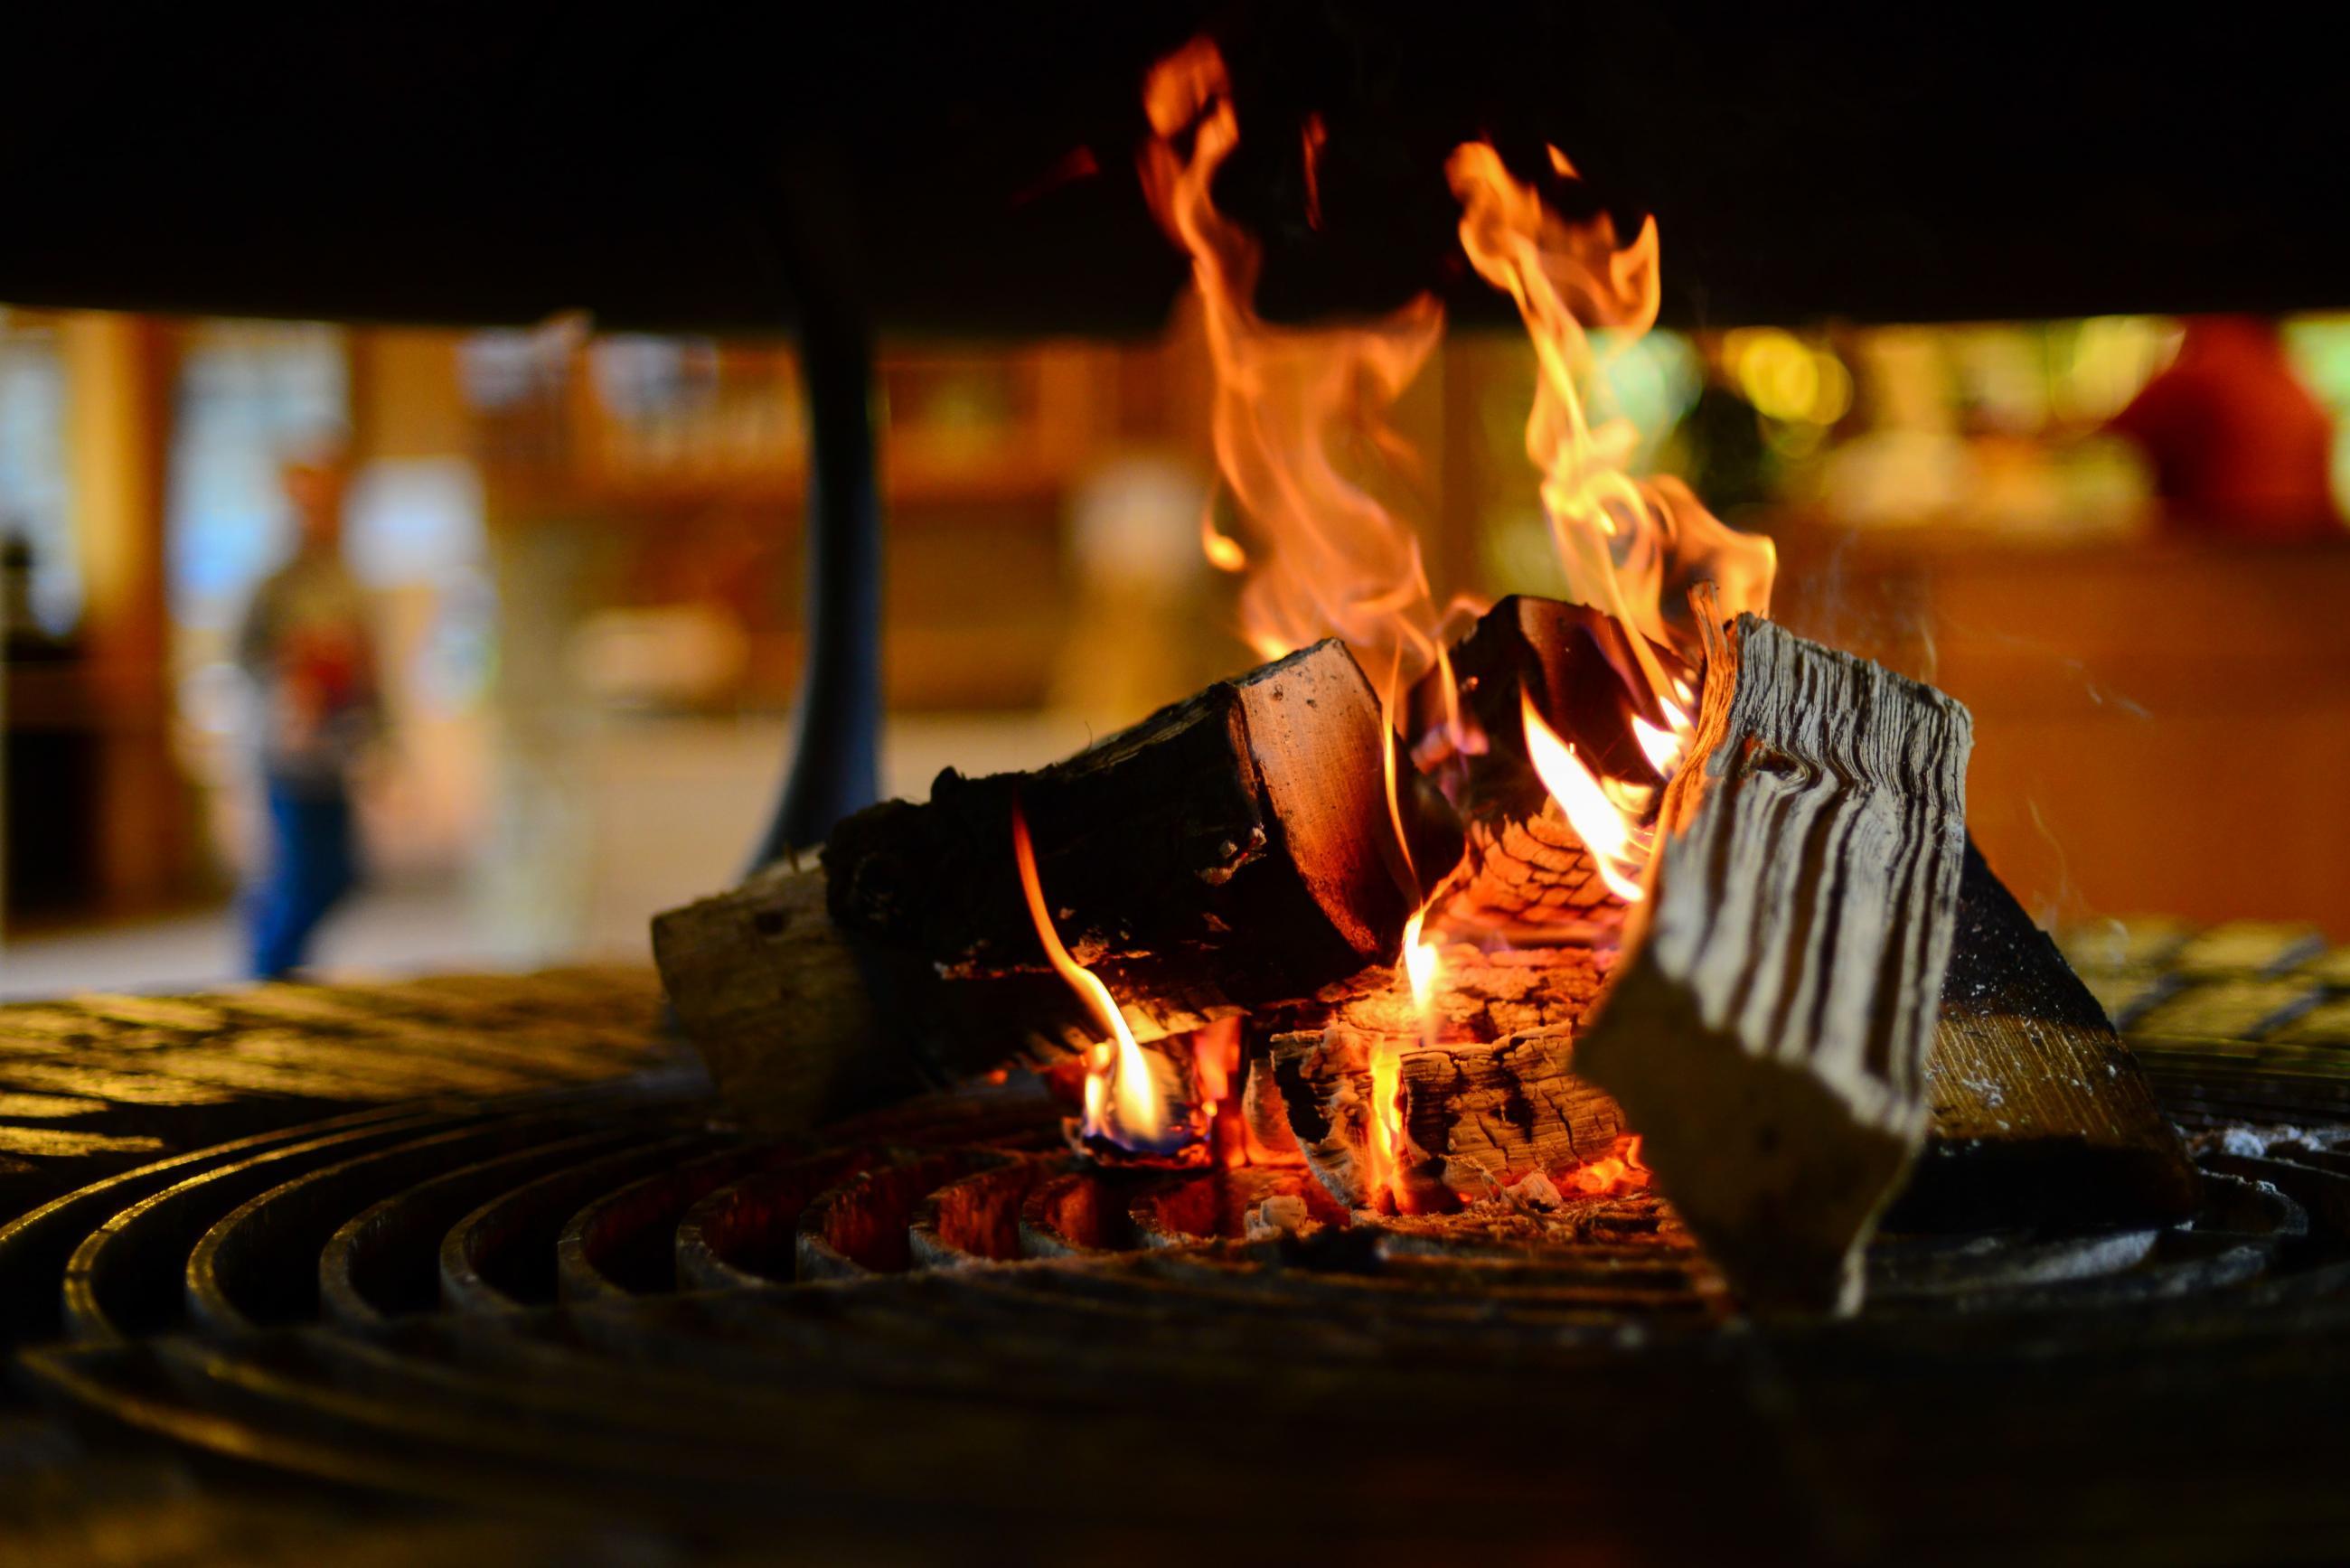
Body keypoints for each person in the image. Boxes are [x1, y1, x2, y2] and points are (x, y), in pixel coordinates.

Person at [235, 453, 380, 978]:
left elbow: (371, 668)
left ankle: (280, 961)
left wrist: (382, 737)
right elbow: (244, 657)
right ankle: (269, 971)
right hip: (289, 748)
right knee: (298, 871)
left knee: (339, 872)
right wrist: (294, 667)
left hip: (335, 748)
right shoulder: (275, 585)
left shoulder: (346, 579)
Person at [2107, 316, 2343, 542]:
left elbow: (2112, 432)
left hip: (2231, 549)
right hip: (2299, 548)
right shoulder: (2286, 378)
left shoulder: (2208, 365)